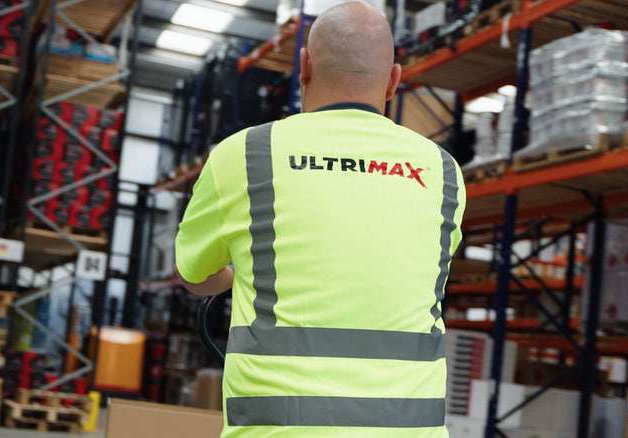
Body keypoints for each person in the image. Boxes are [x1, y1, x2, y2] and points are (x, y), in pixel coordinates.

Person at [173, 1, 465, 436]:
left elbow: (194, 274)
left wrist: (239, 276)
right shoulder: (443, 172)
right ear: (393, 81)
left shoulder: (244, 155)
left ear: (304, 67)